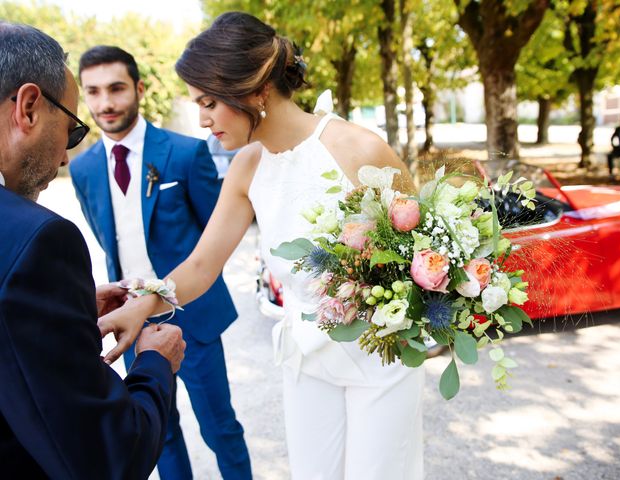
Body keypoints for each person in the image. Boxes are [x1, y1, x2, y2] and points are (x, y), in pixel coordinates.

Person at [98, 12, 424, 480]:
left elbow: (423, 250)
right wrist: (140, 306)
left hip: (382, 356)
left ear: (255, 90)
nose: (203, 119)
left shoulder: (359, 148)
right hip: (306, 359)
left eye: (209, 102)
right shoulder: (247, 166)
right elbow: (202, 264)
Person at [0, 22, 186, 479]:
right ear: (28, 108)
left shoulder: (184, 152)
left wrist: (68, 308)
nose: (65, 156)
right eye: (71, 129)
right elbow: (110, 459)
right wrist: (155, 365)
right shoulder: (40, 239)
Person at [69, 46, 251, 480]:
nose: (105, 103)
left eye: (116, 88)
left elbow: (215, 238)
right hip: (130, 322)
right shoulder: (84, 168)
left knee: (220, 428)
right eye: (93, 92)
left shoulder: (187, 154)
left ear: (139, 88)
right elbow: (105, 238)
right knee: (157, 432)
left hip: (195, 318)